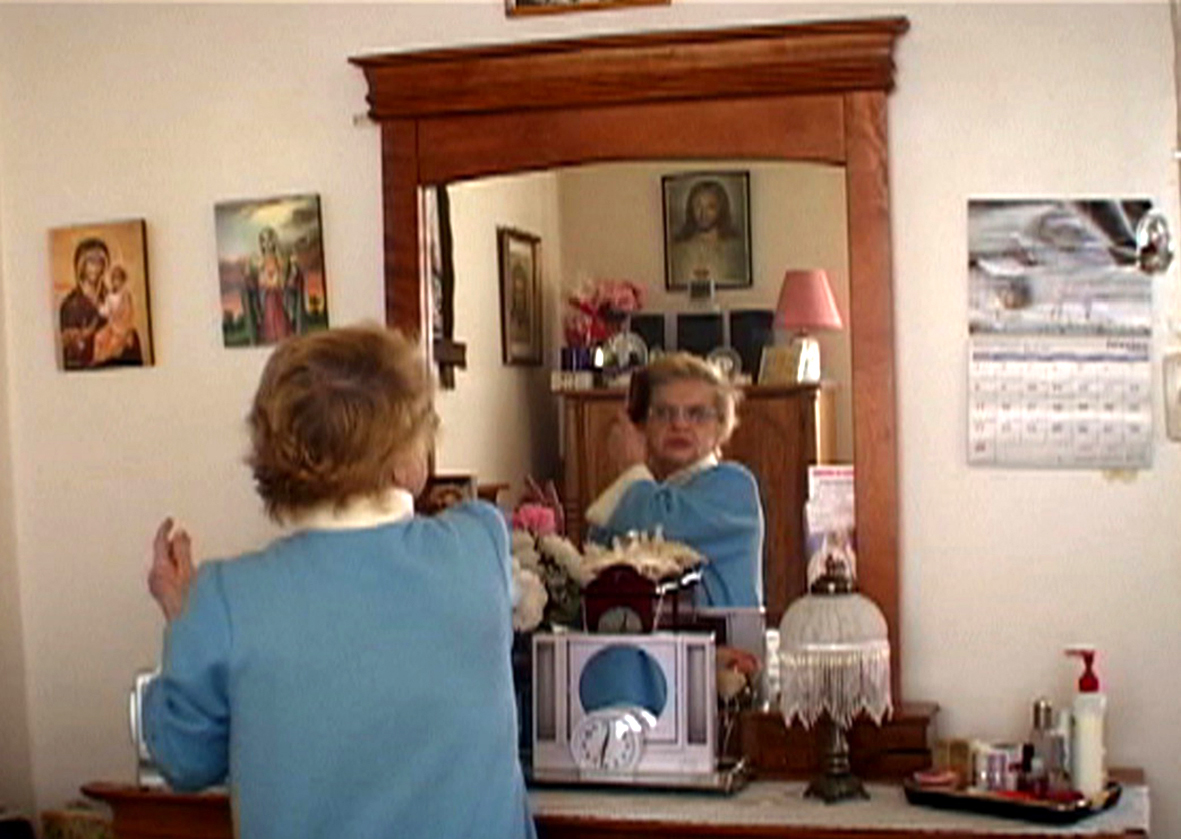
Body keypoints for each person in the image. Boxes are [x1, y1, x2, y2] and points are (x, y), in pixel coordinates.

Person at [142, 324, 536, 839]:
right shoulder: (479, 543)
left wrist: (184, 619)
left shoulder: (225, 599)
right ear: (404, 460)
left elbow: (184, 760)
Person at [585, 352, 764, 607]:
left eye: (697, 414)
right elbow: (597, 566)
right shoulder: (638, 489)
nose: (679, 425)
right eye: (663, 413)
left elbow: (659, 525)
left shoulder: (734, 485)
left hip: (718, 632)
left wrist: (632, 467)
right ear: (642, 425)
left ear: (720, 425)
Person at [668, 179, 747, 288]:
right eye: (698, 206)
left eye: (710, 207)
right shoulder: (679, 247)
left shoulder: (734, 247)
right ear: (691, 208)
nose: (703, 213)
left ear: (721, 209)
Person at [241, 226, 306, 345]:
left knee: (282, 326)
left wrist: (294, 270)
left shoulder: (281, 259)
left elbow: (288, 282)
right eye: (264, 240)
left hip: (279, 297)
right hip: (265, 298)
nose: (267, 243)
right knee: (267, 324)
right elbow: (253, 283)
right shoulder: (257, 261)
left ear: (274, 240)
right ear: (261, 243)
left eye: (269, 239)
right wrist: (249, 275)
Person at [59, 237, 110, 369]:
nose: (95, 268)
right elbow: (71, 350)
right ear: (81, 266)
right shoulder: (70, 305)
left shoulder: (111, 298)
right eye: (91, 262)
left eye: (99, 262)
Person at [93, 265, 144, 365]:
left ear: (123, 281)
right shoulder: (109, 296)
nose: (116, 282)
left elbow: (128, 312)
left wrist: (121, 322)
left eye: (118, 279)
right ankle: (97, 361)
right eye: (114, 279)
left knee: (114, 345)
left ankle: (108, 358)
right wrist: (98, 306)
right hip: (112, 326)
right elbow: (106, 311)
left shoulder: (125, 295)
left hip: (122, 327)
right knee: (98, 337)